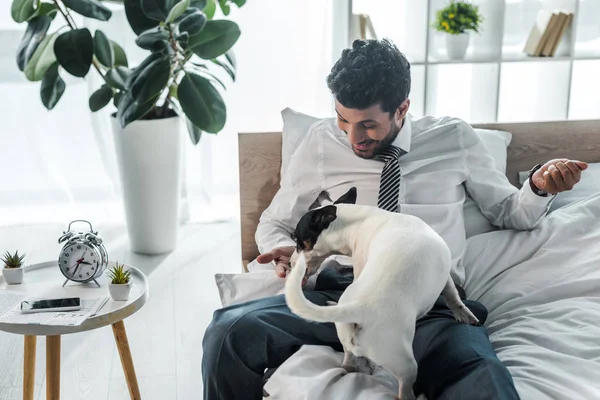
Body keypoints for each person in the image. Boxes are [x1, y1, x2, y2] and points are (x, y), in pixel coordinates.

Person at [202, 39, 587, 400]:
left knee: (484, 379)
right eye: (342, 120)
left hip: (427, 301)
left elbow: (509, 213)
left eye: (367, 124)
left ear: (402, 108)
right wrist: (283, 252)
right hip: (339, 292)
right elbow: (274, 222)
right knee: (227, 333)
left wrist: (538, 187)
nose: (354, 137)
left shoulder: (453, 138)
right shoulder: (321, 143)